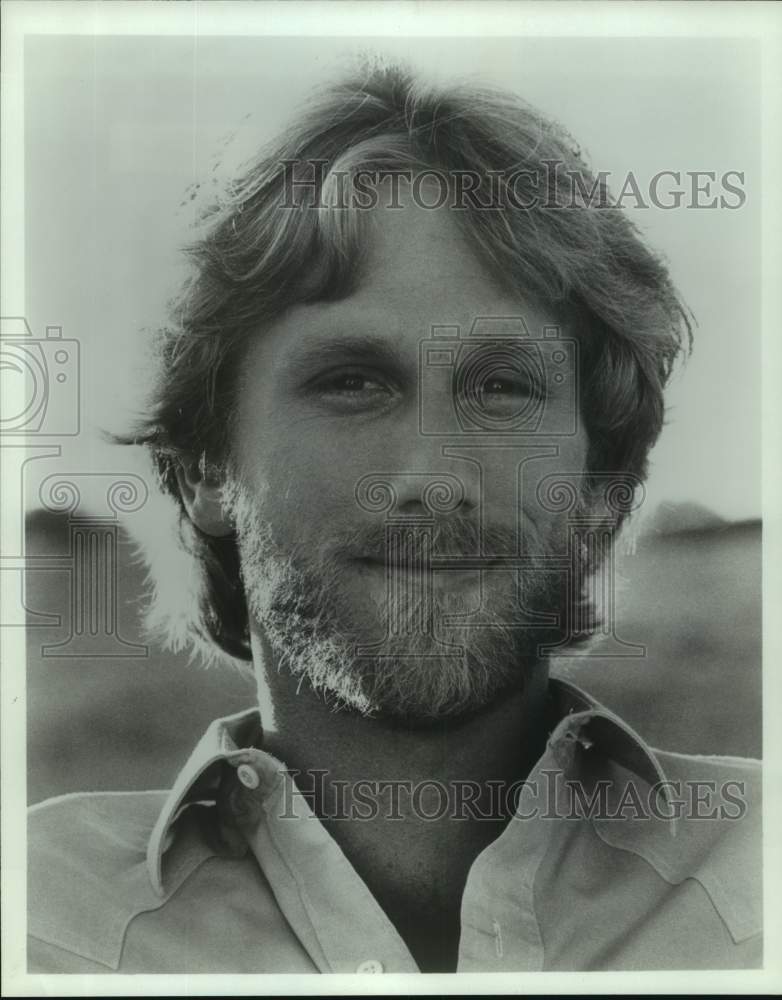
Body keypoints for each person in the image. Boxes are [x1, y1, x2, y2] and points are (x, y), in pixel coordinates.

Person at [28, 61, 761, 974]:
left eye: (501, 387)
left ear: (601, 478)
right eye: (353, 384)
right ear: (208, 467)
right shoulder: (39, 921)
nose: (434, 479)